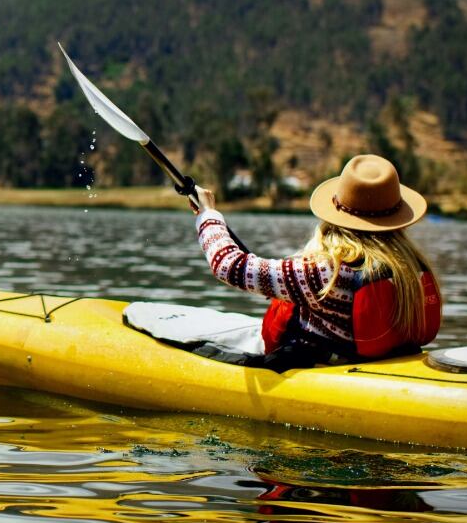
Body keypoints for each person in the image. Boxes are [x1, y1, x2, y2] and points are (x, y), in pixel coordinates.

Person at [188, 154, 441, 369]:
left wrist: (208, 215)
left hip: (324, 369)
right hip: (376, 365)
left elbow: (228, 265)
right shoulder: (411, 266)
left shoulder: (324, 271)